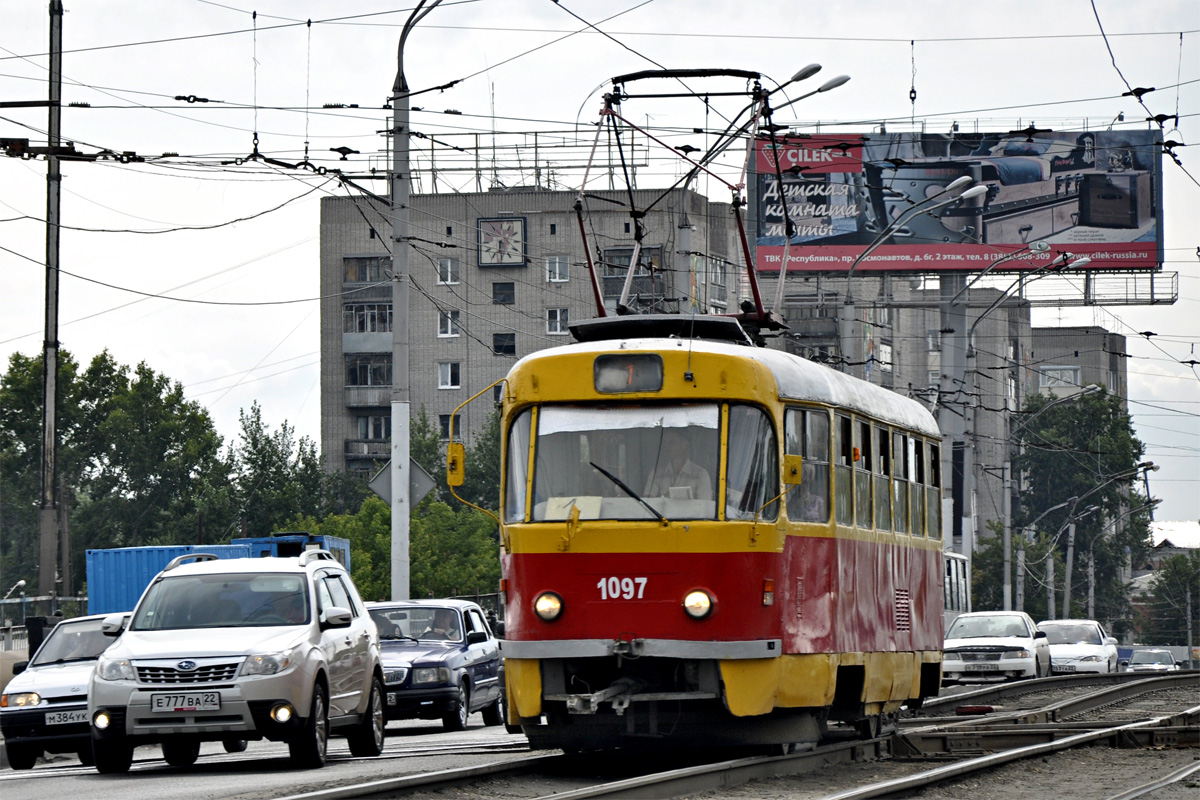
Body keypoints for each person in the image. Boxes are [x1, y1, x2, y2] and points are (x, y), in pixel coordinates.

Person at [644, 428, 713, 500]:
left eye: (672, 442)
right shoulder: (656, 473)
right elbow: (647, 503)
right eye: (665, 443)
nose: (667, 447)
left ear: (685, 444)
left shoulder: (700, 474)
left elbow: (704, 507)